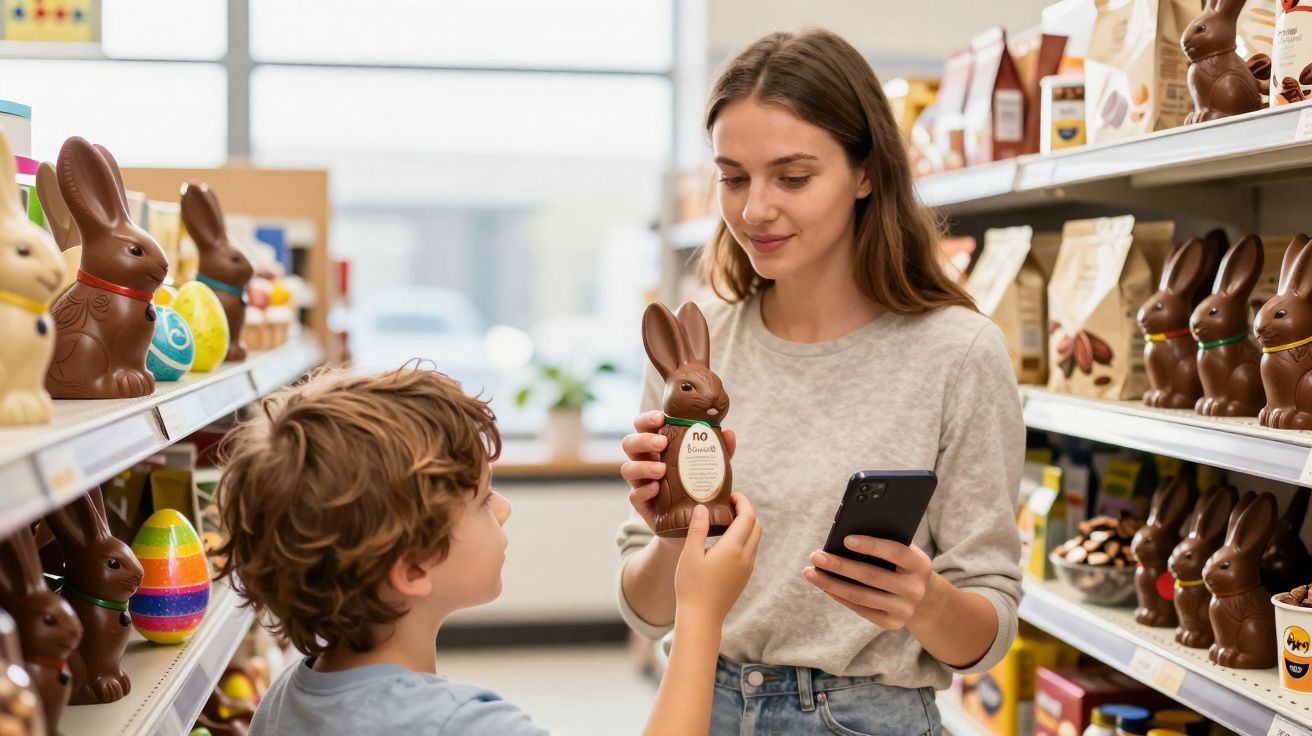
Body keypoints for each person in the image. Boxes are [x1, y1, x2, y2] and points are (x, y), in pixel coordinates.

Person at [617, 28, 1025, 734]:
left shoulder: (957, 354)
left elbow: (984, 639)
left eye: (793, 177)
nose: (754, 210)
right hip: (700, 703)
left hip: (865, 716)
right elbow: (646, 610)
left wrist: (926, 602)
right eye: (733, 178)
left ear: (866, 173)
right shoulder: (697, 353)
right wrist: (673, 537)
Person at [217, 366, 761, 735]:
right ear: (412, 567)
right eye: (481, 500)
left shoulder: (283, 700)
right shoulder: (465, 725)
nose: (503, 509)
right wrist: (700, 614)